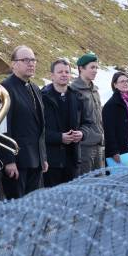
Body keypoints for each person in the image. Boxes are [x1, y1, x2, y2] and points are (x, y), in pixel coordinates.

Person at [0, 45, 47, 199]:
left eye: (33, 60)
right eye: (25, 60)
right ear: (13, 64)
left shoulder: (34, 87)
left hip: (35, 161)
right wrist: (8, 161)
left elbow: (40, 126)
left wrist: (43, 156)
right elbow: (3, 129)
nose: (31, 63)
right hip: (17, 163)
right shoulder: (5, 88)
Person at [41, 59, 90, 187]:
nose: (64, 74)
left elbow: (87, 124)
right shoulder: (42, 97)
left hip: (72, 161)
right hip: (51, 162)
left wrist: (82, 133)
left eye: (67, 72)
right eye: (60, 72)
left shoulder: (77, 97)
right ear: (52, 75)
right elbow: (37, 130)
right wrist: (59, 137)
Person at [70, 53, 104, 175]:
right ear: (81, 68)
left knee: (100, 183)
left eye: (96, 67)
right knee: (86, 183)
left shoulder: (95, 90)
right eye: (92, 67)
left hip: (98, 144)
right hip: (84, 147)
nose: (95, 71)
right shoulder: (74, 90)